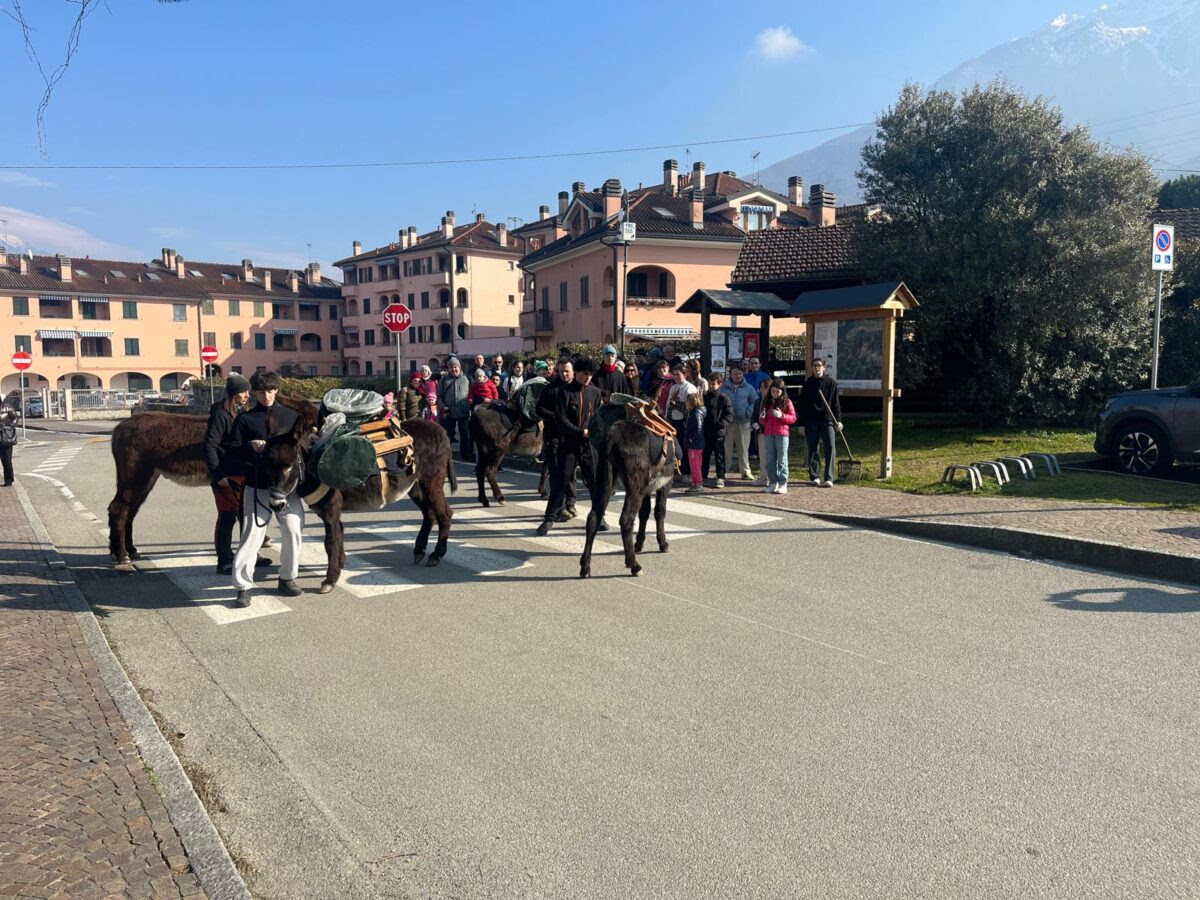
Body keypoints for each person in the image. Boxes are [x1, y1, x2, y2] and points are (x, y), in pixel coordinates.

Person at [225, 372, 304, 606]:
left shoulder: (291, 416)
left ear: (276, 390)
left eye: (270, 390)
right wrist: (249, 447)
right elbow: (230, 451)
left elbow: (301, 447)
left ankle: (287, 578)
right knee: (251, 536)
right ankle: (243, 586)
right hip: (257, 484)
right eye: (261, 392)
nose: (266, 395)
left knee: (293, 530)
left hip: (287, 488)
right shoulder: (245, 420)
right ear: (254, 393)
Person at [536, 357, 601, 535]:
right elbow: (560, 418)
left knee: (595, 482)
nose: (588, 377)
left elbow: (596, 417)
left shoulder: (595, 392)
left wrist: (595, 433)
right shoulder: (564, 392)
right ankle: (549, 518)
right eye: (585, 374)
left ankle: (598, 517)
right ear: (577, 373)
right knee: (560, 481)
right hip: (568, 443)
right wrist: (579, 432)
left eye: (590, 374)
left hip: (589, 446)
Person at [204, 373, 254, 575]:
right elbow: (210, 446)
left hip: (243, 473)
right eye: (243, 392)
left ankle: (249, 554)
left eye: (248, 391)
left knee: (246, 516)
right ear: (233, 394)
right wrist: (219, 475)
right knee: (227, 517)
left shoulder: (242, 413)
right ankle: (224, 559)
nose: (246, 395)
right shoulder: (220, 415)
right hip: (226, 476)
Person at [799, 357, 842, 487]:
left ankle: (829, 478)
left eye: (819, 365)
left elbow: (836, 404)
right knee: (813, 448)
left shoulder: (831, 383)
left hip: (827, 419)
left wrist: (838, 420)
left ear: (824, 367)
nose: (817, 368)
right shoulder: (808, 384)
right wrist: (801, 424)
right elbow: (802, 405)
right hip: (811, 420)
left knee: (830, 447)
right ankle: (815, 476)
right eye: (814, 365)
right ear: (812, 368)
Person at [758, 378, 797, 495]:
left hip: (782, 434)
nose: (775, 394)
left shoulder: (787, 402)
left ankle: (783, 483)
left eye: (777, 392)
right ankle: (772, 483)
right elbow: (762, 420)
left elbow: (793, 418)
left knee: (782, 460)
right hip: (769, 434)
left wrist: (782, 416)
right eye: (773, 391)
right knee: (770, 460)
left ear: (782, 391)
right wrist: (762, 417)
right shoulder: (766, 401)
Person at [721, 364, 757, 481]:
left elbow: (754, 401)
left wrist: (748, 412)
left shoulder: (749, 388)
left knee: (743, 449)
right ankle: (723, 471)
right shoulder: (724, 387)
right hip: (728, 423)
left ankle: (745, 471)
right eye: (735, 374)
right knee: (727, 448)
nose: (738, 376)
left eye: (740, 374)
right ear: (730, 374)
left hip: (744, 422)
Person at [666, 365, 698, 476]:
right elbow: (668, 405)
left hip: (685, 421)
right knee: (675, 446)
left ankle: (687, 472)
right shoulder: (673, 387)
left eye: (678, 374)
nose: (676, 376)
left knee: (685, 447)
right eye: (674, 374)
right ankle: (677, 470)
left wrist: (677, 403)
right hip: (674, 420)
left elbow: (691, 406)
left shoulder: (689, 388)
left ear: (684, 374)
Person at [703, 372, 733, 487]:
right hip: (706, 430)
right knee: (705, 454)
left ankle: (721, 476)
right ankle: (703, 475)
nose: (711, 386)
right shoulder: (705, 397)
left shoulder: (724, 398)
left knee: (719, 455)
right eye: (710, 384)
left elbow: (729, 415)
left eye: (713, 384)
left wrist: (721, 424)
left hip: (718, 431)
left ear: (720, 384)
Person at [438, 358, 472, 461]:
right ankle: (447, 457)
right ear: (448, 369)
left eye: (455, 366)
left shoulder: (467, 379)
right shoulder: (444, 380)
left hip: (464, 412)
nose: (453, 369)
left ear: (459, 367)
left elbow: (473, 394)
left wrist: (471, 406)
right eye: (451, 367)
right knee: (448, 435)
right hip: (449, 412)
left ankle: (465, 455)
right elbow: (439, 396)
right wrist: (442, 406)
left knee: (465, 435)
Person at [682, 391, 707, 494]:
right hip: (695, 442)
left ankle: (698, 484)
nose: (686, 404)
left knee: (695, 464)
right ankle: (695, 482)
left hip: (695, 443)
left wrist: (691, 439)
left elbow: (698, 428)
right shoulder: (696, 411)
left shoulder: (696, 413)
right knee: (695, 463)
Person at [750, 378, 771, 482]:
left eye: (765, 387)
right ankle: (763, 475)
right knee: (762, 455)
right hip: (760, 432)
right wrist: (754, 423)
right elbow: (754, 415)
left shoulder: (772, 401)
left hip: (771, 432)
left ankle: (770, 476)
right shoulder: (758, 401)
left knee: (770, 455)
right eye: (761, 387)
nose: (763, 390)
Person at [0, 407, 18, 487]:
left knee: (7, 460)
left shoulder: (7, 407)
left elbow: (15, 417)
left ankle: (8, 480)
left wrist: (10, 426)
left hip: (5, 437)